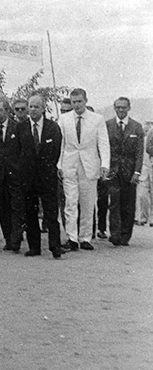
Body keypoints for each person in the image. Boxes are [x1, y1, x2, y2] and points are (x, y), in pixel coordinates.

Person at [57, 88, 110, 250]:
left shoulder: (97, 119)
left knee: (87, 204)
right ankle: (71, 238)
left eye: (79, 101)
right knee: (70, 203)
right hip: (69, 165)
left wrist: (105, 165)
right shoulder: (64, 119)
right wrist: (58, 164)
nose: (77, 105)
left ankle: (85, 237)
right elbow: (61, 144)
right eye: (74, 102)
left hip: (89, 166)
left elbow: (103, 143)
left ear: (85, 101)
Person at [17, 95, 64, 258]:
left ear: (44, 108)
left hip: (47, 177)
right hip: (28, 177)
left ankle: (55, 246)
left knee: (51, 212)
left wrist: (49, 168)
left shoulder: (53, 127)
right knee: (30, 213)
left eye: (36, 106)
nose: (33, 110)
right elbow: (17, 152)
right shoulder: (21, 127)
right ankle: (34, 247)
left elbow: (56, 151)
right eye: (30, 106)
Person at [105, 97, 145, 246]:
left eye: (123, 107)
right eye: (118, 107)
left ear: (129, 108)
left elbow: (139, 152)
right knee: (114, 202)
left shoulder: (136, 127)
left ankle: (125, 235)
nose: (121, 110)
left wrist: (137, 172)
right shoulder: (108, 125)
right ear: (114, 108)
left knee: (128, 204)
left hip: (130, 172)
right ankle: (114, 234)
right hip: (113, 170)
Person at [0, 99, 25, 252]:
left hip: (15, 172)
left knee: (16, 205)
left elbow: (22, 150)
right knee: (1, 206)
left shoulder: (18, 127)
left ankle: (16, 239)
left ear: (7, 111)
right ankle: (8, 238)